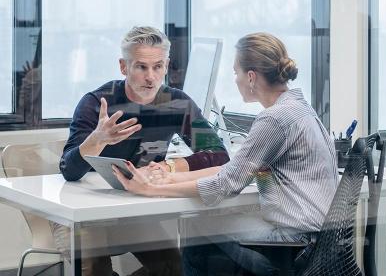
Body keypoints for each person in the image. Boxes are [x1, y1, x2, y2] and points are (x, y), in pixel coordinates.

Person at [113, 32, 339, 275]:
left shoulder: (275, 119)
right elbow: (239, 171)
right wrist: (169, 177)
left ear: (251, 77)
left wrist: (151, 189)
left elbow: (226, 185)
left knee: (197, 230)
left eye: (236, 73)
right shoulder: (299, 108)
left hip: (295, 244)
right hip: (319, 243)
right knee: (211, 239)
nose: (235, 80)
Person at [53, 26, 230, 276]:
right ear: (124, 67)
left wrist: (168, 167)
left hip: (131, 210)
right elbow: (69, 171)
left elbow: (218, 155)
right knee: (95, 271)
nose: (151, 77)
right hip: (81, 216)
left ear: (166, 66)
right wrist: (97, 139)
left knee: (176, 268)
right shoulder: (96, 103)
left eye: (158, 66)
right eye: (141, 67)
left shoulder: (178, 102)